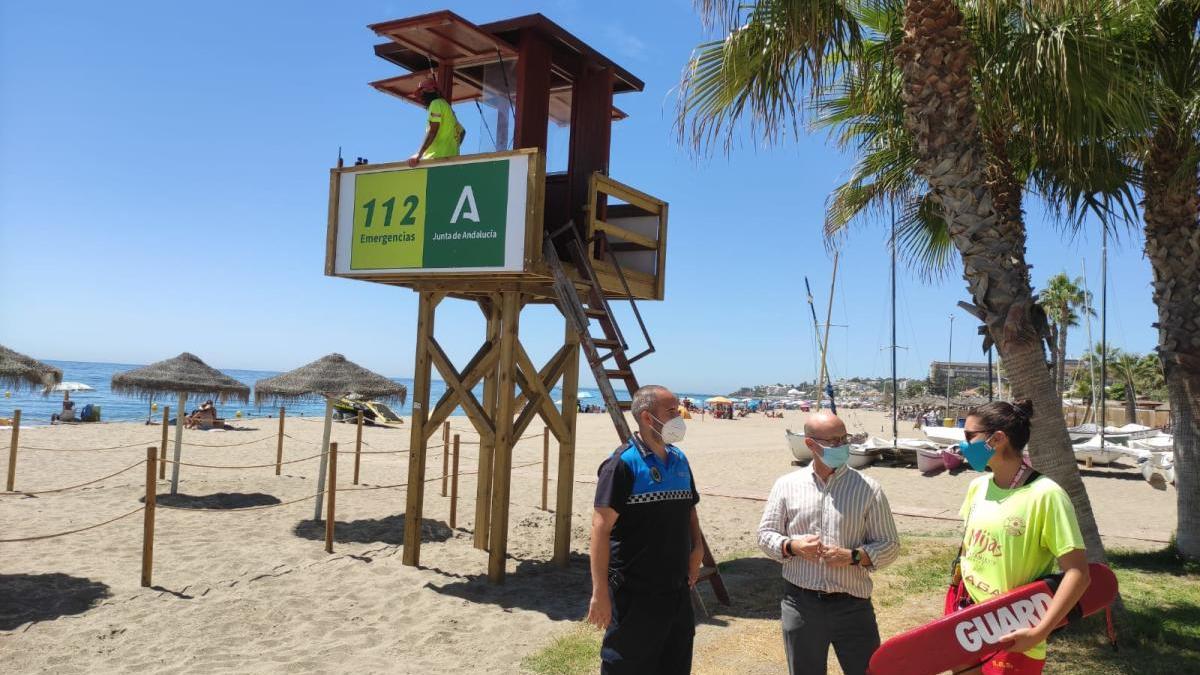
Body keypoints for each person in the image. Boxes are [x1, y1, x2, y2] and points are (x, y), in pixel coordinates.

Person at [952, 399, 1090, 674]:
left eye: (969, 436)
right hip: (966, 620)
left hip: (1013, 627)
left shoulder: (1046, 495)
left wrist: (1039, 632)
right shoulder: (977, 487)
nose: (963, 444)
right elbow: (968, 550)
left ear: (998, 439)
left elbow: (1078, 574)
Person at [757, 411, 901, 675]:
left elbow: (889, 544)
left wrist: (854, 556)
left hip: (852, 605)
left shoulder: (868, 488)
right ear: (811, 444)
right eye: (833, 441)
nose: (841, 446)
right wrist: (792, 547)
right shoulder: (786, 485)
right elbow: (765, 534)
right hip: (801, 603)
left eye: (844, 438)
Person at [587, 385, 703, 674]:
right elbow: (600, 529)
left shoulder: (679, 459)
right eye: (672, 412)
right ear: (648, 418)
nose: (679, 417)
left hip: (677, 589)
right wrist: (599, 592)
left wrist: (697, 548)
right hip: (635, 593)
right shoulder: (622, 465)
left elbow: (689, 509)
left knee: (674, 662)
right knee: (627, 664)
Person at [406, 77, 465, 168]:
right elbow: (462, 132)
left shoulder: (436, 103)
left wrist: (419, 154)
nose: (421, 97)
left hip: (435, 159)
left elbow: (433, 131)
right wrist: (451, 147)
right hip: (451, 161)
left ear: (432, 90)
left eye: (422, 92)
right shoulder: (448, 110)